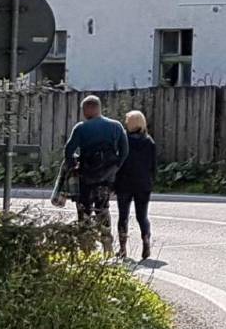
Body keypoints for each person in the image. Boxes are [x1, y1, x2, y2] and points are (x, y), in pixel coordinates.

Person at [55, 94, 128, 255]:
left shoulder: (81, 128)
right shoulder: (116, 126)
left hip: (86, 177)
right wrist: (116, 167)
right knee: (103, 209)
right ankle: (107, 248)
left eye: (83, 109)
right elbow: (124, 151)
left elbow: (68, 150)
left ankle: (86, 248)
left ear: (88, 109)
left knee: (84, 211)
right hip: (107, 178)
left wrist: (73, 165)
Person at [115, 109, 158, 260]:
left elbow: (119, 162)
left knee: (123, 216)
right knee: (142, 215)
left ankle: (122, 248)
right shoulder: (149, 141)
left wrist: (113, 182)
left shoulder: (123, 140)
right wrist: (151, 181)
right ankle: (145, 239)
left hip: (124, 182)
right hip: (143, 183)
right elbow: (153, 165)